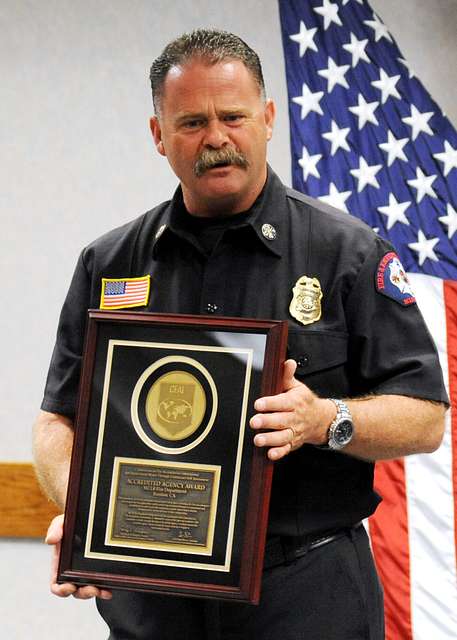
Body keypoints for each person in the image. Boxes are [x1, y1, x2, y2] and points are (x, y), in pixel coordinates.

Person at [33, 29, 448, 640]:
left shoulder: (348, 254)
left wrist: (323, 418)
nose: (216, 139)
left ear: (268, 118)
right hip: (154, 600)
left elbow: (425, 417)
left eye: (233, 116)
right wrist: (86, 514)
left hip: (306, 593)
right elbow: (57, 421)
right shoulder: (110, 263)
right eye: (192, 122)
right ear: (158, 136)